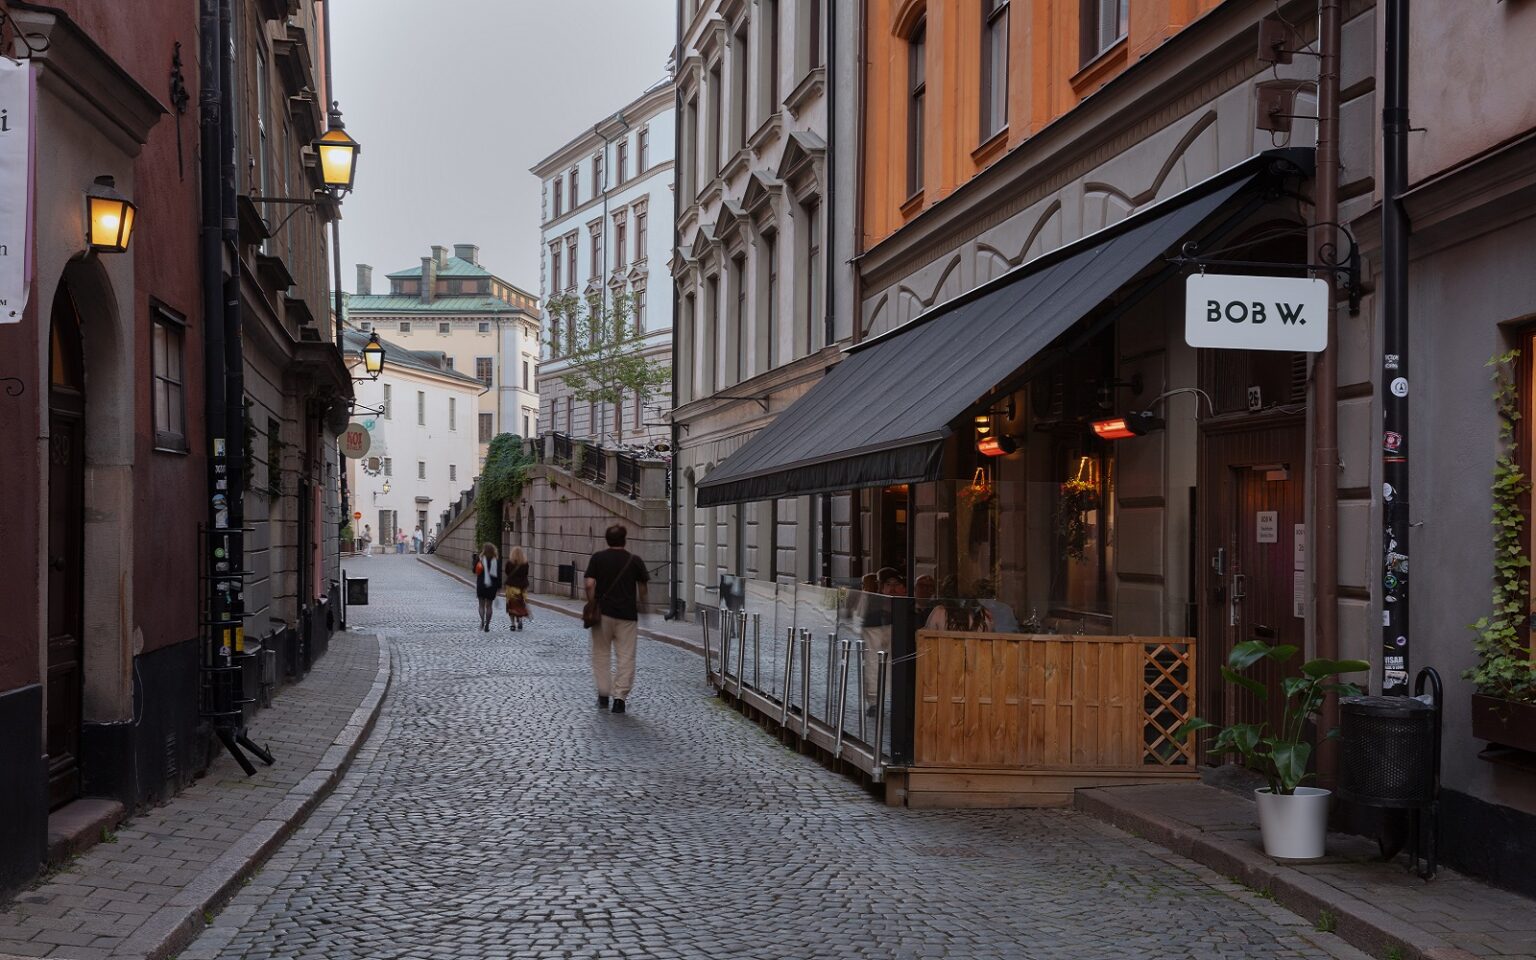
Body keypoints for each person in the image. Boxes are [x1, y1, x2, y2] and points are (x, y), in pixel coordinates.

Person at [584, 524, 649, 714]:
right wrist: (641, 602)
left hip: (603, 614)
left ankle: (603, 695)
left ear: (607, 539)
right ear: (624, 539)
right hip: (627, 616)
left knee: (601, 654)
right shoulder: (634, 560)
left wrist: (592, 601)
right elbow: (643, 589)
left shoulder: (598, 558)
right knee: (626, 657)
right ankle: (620, 698)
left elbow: (589, 584)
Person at [860, 567, 906, 718]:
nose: (892, 588)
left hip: (887, 630)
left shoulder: (907, 608)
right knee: (874, 663)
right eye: (888, 584)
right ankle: (874, 701)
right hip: (876, 629)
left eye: (896, 584)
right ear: (882, 588)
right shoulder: (874, 612)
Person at [474, 543, 501, 631]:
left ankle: (482, 621)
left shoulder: (480, 559)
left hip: (481, 584)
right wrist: (499, 587)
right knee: (489, 606)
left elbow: (474, 570)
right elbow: (499, 575)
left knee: (481, 605)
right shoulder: (496, 560)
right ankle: (487, 625)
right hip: (492, 586)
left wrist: (474, 559)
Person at [504, 546, 531, 631]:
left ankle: (512, 624)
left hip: (511, 587)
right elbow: (526, 574)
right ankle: (520, 621)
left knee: (511, 606)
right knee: (520, 605)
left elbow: (507, 572)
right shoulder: (525, 563)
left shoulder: (509, 562)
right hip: (522, 587)